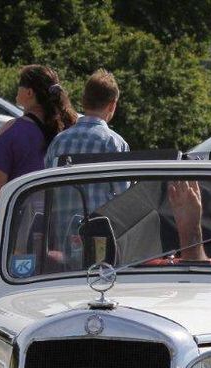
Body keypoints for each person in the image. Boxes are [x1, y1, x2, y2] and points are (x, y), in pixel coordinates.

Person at [0, 65, 77, 252]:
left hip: (21, 223)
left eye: (20, 86)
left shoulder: (11, 131)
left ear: (29, 92)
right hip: (63, 224)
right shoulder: (69, 129)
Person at [43, 69, 130, 260]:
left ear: (83, 101)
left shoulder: (59, 141)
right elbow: (123, 198)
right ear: (112, 105)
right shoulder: (114, 144)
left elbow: (45, 189)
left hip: (60, 242)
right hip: (98, 243)